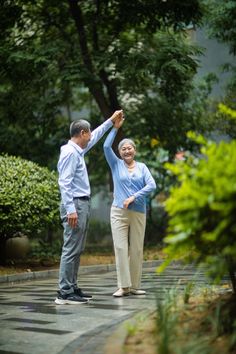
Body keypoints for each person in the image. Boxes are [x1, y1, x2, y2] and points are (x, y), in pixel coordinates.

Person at [55, 110, 123, 305]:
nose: (91, 136)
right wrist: (70, 210)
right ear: (83, 133)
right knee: (70, 248)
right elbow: (64, 183)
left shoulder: (78, 150)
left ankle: (72, 286)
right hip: (75, 204)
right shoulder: (69, 153)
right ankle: (64, 292)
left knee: (77, 248)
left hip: (81, 203)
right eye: (89, 133)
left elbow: (97, 136)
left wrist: (111, 121)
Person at [103, 118, 156, 297]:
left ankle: (134, 286)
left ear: (135, 150)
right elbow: (105, 147)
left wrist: (134, 196)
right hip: (118, 211)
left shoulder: (142, 167)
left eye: (129, 148)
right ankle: (123, 286)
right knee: (120, 248)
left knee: (136, 249)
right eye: (123, 148)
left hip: (139, 212)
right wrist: (115, 128)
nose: (127, 150)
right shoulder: (116, 164)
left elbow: (152, 185)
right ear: (119, 152)